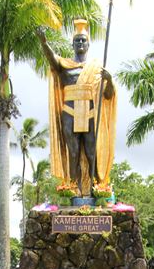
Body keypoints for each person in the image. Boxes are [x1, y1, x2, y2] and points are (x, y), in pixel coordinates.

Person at [36, 19, 117, 197]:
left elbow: (108, 95)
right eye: (77, 40)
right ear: (73, 44)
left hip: (89, 113)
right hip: (70, 113)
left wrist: (109, 80)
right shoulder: (65, 65)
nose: (80, 43)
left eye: (83, 40)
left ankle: (97, 190)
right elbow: (52, 59)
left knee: (91, 152)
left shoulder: (96, 68)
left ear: (88, 44)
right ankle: (73, 189)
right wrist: (44, 43)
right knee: (73, 152)